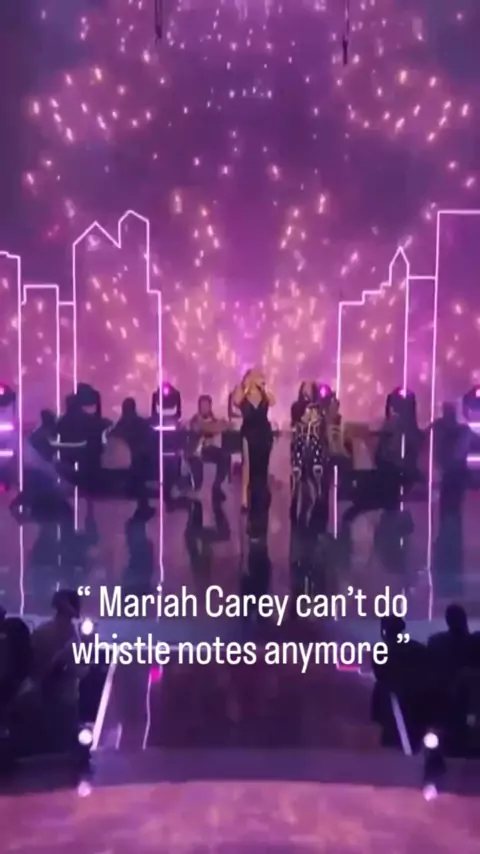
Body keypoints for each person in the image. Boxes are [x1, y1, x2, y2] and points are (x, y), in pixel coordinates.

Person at [232, 368, 275, 512]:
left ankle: (262, 493)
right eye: (257, 375)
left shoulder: (264, 393)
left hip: (264, 432)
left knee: (262, 464)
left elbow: (273, 401)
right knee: (247, 465)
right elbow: (236, 401)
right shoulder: (241, 390)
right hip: (249, 432)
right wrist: (246, 386)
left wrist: (263, 388)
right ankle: (244, 499)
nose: (260, 377)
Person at [188, 395, 229, 499]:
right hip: (195, 451)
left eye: (206, 406)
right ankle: (194, 489)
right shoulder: (195, 420)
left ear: (210, 407)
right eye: (202, 406)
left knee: (225, 456)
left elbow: (225, 426)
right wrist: (219, 426)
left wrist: (223, 425)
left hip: (208, 450)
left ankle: (217, 487)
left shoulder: (214, 419)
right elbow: (206, 427)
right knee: (196, 462)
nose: (204, 408)